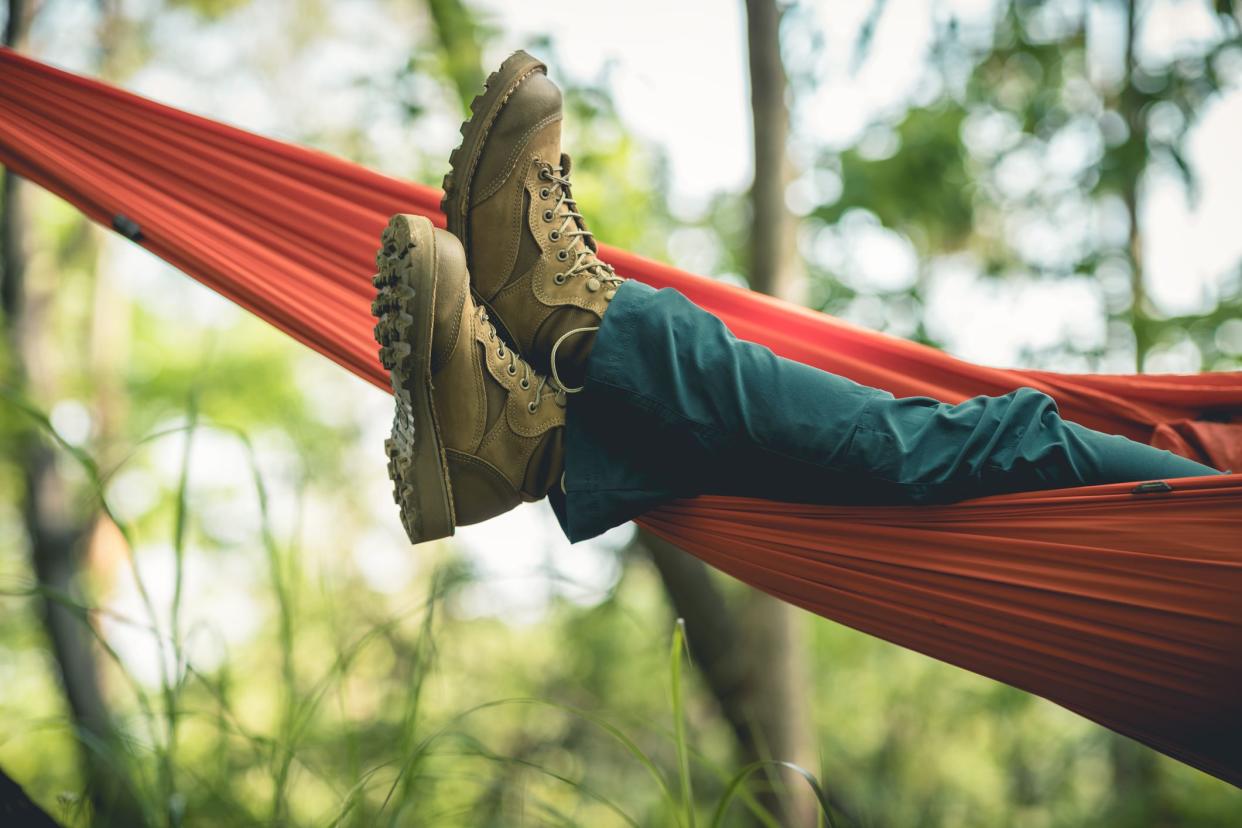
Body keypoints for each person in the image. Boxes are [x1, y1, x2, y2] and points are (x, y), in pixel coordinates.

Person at [371, 51, 1220, 545]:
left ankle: (575, 335)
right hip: (1204, 482)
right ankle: (523, 445)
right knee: (984, 445)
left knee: (1019, 441)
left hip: (1217, 525)